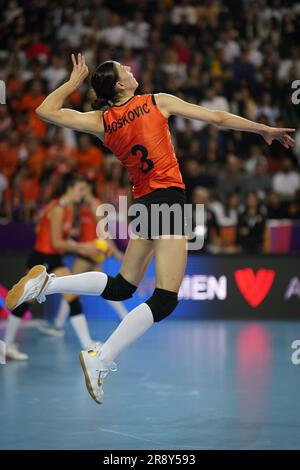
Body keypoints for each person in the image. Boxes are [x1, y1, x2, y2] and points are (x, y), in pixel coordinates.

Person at [5, 54, 295, 402]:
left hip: (142, 204)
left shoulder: (102, 121)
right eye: (124, 69)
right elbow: (218, 118)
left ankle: (47, 284)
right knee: (165, 299)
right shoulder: (158, 102)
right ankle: (101, 358)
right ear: (119, 85)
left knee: (122, 287)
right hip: (168, 200)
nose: (130, 69)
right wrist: (262, 128)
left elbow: (45, 111)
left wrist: (71, 83)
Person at [4, 173, 100, 360]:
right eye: (80, 189)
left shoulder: (68, 208)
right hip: (42, 259)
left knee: (71, 296)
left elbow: (51, 232)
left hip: (54, 259)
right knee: (27, 301)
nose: (83, 193)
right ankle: (6, 345)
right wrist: (83, 246)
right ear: (69, 189)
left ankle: (88, 344)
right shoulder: (57, 209)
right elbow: (57, 242)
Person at [49, 178, 128, 333]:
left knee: (70, 285)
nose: (80, 192)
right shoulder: (84, 207)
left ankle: (58, 324)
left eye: (83, 189)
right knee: (102, 287)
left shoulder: (94, 205)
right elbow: (83, 230)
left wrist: (115, 251)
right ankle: (125, 316)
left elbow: (103, 230)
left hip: (91, 251)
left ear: (89, 189)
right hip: (89, 250)